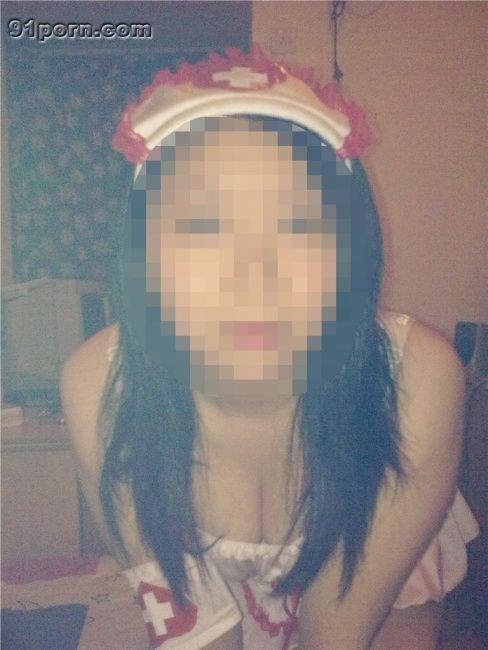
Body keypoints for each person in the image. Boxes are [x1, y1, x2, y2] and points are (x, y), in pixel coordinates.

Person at [60, 43, 479, 650]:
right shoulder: (101, 385)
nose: (253, 275)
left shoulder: (416, 383)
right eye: (203, 225)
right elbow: (196, 631)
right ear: (140, 256)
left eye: (300, 224)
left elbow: (337, 635)